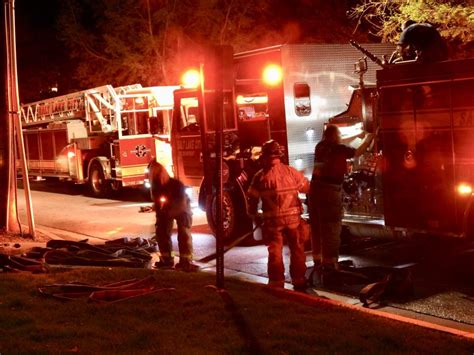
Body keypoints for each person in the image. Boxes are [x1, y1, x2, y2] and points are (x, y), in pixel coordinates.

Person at [309, 125, 374, 276]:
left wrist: (359, 135)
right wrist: (369, 138)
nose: (340, 137)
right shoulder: (338, 148)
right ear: (334, 136)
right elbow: (357, 152)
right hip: (330, 191)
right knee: (331, 227)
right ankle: (329, 264)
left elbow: (342, 143)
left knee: (317, 227)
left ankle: (317, 261)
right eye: (339, 134)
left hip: (315, 190)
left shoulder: (320, 146)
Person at [247, 140, 310, 290]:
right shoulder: (291, 171)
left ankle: (276, 283)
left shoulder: (260, 176)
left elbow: (252, 200)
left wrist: (254, 215)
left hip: (273, 223)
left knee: (275, 252)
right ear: (279, 155)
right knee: (297, 249)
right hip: (294, 221)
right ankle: (299, 280)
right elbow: (307, 188)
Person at [149, 161, 198, 272]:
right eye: (155, 176)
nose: (157, 177)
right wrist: (160, 216)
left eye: (158, 174)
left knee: (184, 234)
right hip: (167, 210)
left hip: (182, 209)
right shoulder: (156, 186)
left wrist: (167, 212)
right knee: (162, 233)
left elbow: (180, 205)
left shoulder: (176, 185)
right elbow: (157, 203)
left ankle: (186, 261)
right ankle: (167, 259)